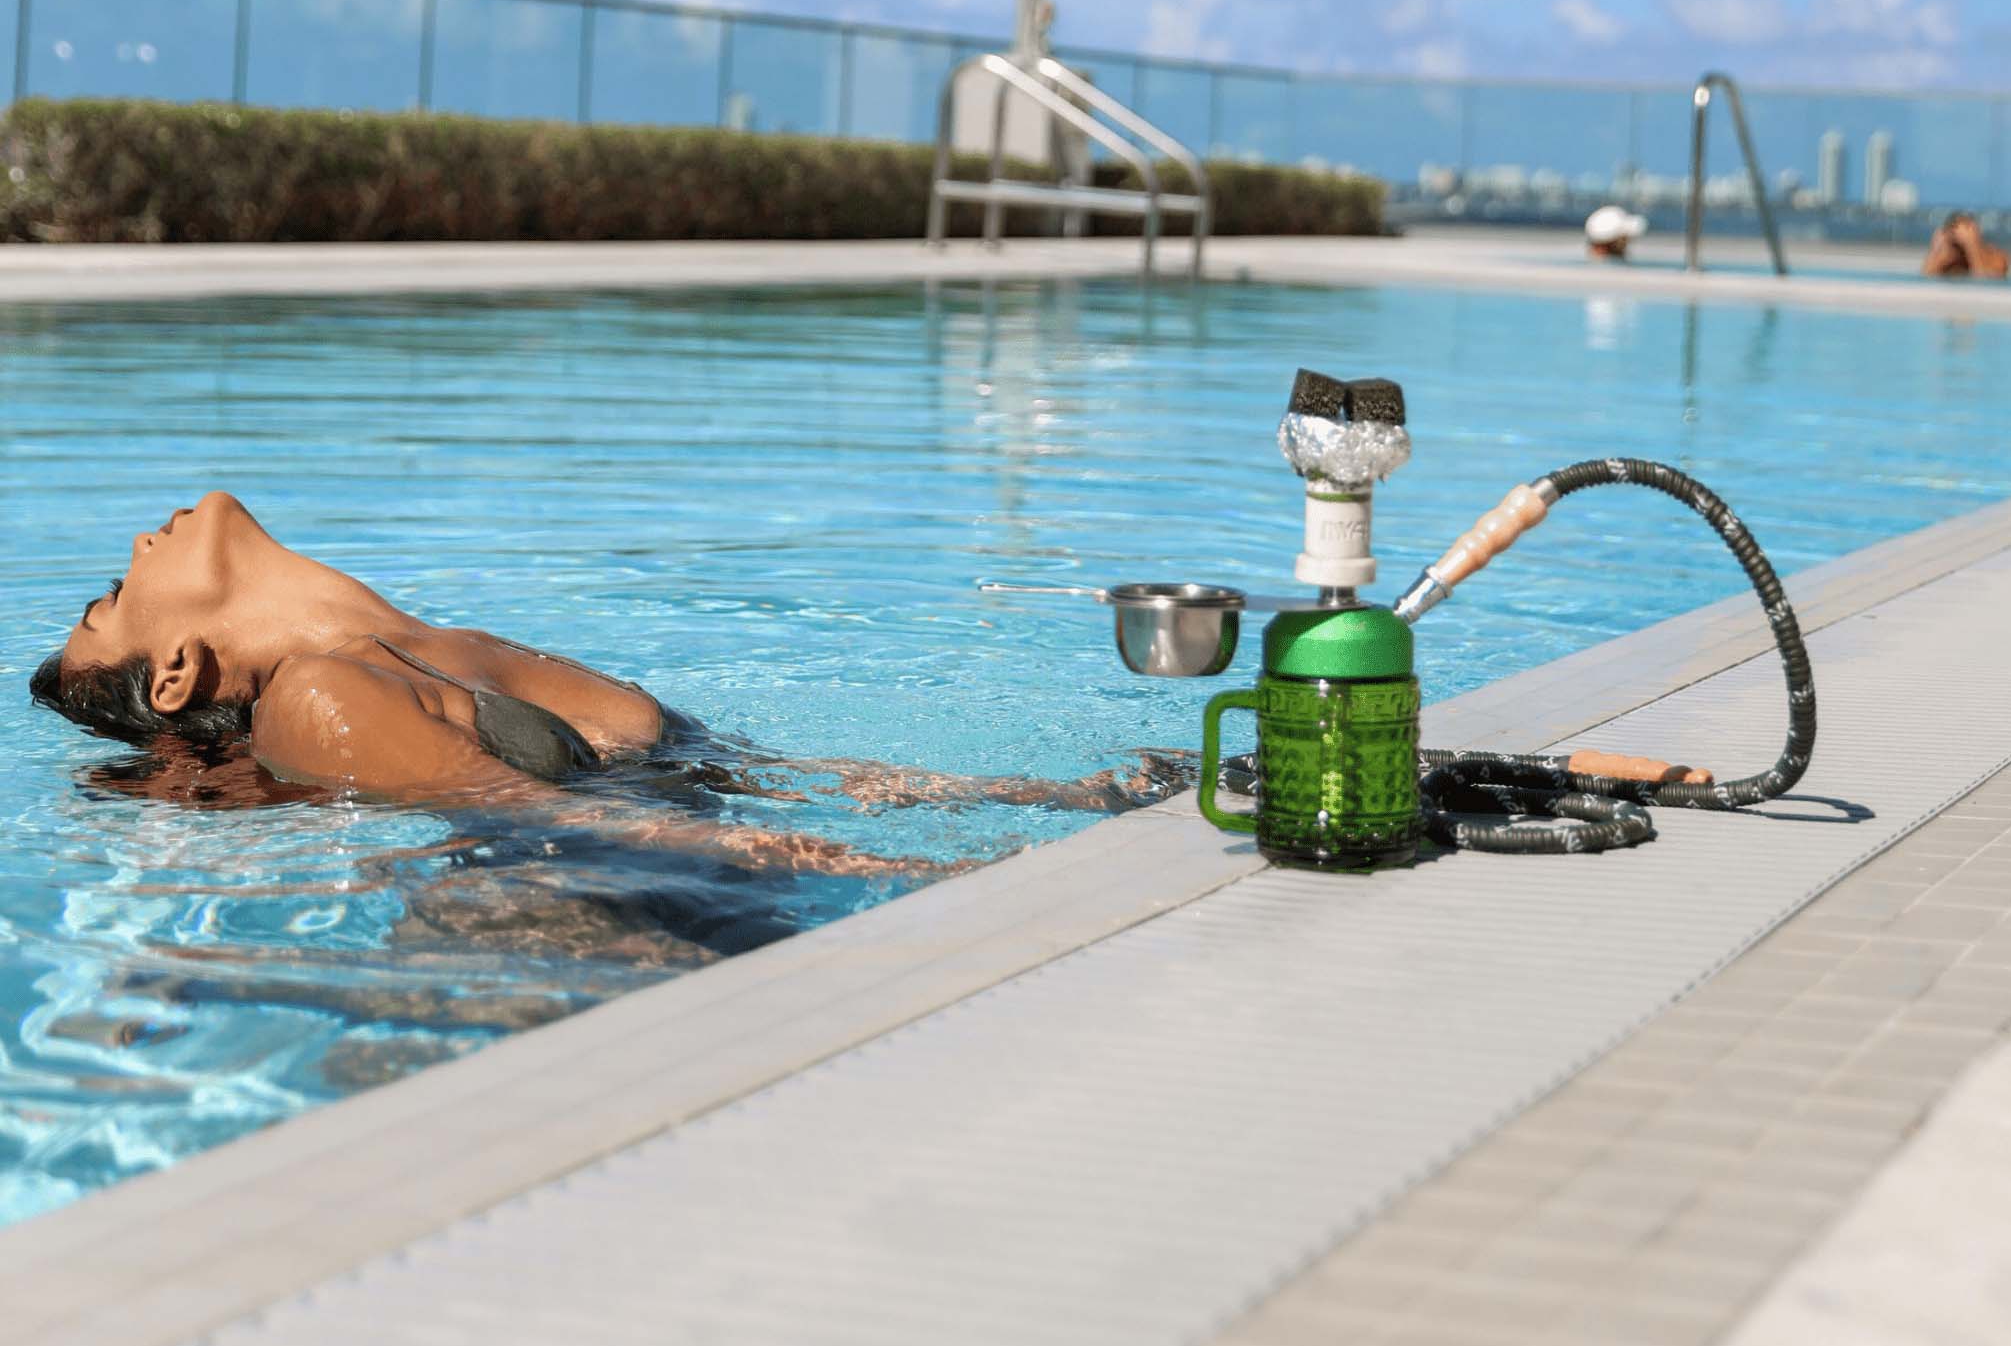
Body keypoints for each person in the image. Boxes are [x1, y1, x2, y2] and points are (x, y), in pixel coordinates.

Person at [32, 492, 1173, 860]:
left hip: (688, 876)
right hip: (572, 928)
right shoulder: (316, 698)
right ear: (174, 674)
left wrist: (1042, 803)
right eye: (112, 600)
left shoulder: (434, 648)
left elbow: (712, 777)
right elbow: (555, 821)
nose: (137, 543)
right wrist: (903, 873)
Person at [1922, 211, 2011, 280]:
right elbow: (1925, 281)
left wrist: (1971, 246)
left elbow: (1985, 284)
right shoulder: (1949, 260)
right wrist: (1937, 249)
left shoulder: (1997, 257)